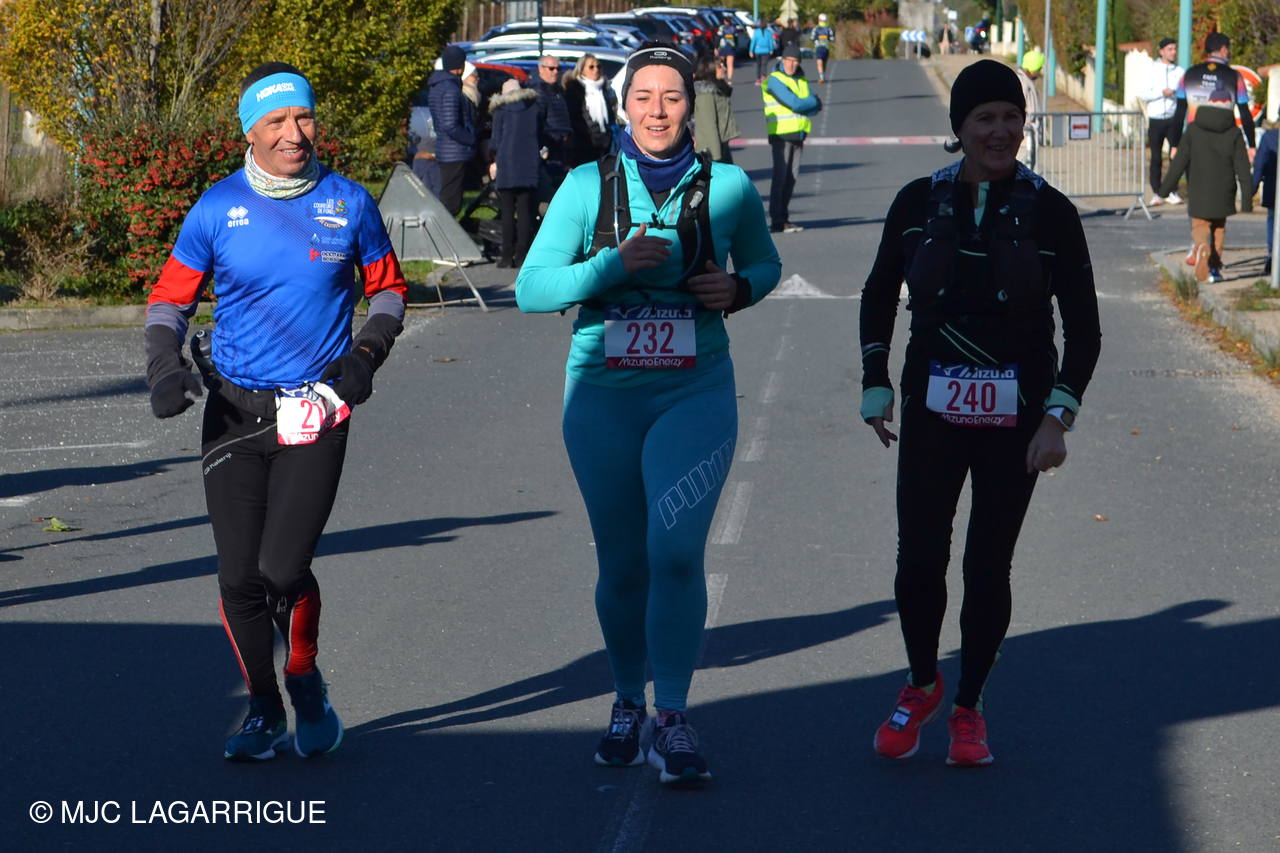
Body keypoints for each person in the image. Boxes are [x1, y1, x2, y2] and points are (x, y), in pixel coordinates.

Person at [514, 44, 781, 785]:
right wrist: (611, 266)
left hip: (694, 389)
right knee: (625, 560)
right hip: (602, 396)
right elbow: (532, 290)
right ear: (623, 106)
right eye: (644, 97)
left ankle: (673, 714)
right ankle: (627, 701)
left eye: (671, 97)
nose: (657, 111)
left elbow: (764, 263)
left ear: (690, 107)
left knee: (675, 549)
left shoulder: (728, 186)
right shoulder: (585, 186)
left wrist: (740, 290)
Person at [144, 62, 408, 761]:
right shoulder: (217, 208)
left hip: (315, 410)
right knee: (239, 578)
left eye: (304, 117)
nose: (295, 133)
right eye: (276, 122)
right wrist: (164, 368)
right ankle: (263, 708)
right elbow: (169, 300)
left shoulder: (348, 203)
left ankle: (305, 681)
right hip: (233, 412)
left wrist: (365, 356)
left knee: (283, 570)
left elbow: (388, 290)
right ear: (250, 133)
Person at [860, 60, 1101, 768]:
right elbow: (879, 293)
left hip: (1018, 416)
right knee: (919, 558)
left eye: (1011, 117)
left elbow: (1085, 330)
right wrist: (876, 379)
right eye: (984, 118)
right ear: (959, 127)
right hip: (933, 409)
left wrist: (1058, 416)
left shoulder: (1052, 212)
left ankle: (968, 706)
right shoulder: (917, 201)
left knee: (988, 563)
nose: (1000, 131)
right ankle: (922, 683)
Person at [1158, 98, 1253, 283]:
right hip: (1224, 191)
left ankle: (1201, 246)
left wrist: (1164, 190)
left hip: (1199, 189)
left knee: (1200, 226)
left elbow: (1179, 162)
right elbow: (1243, 167)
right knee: (1218, 229)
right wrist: (1247, 200)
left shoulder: (1193, 130)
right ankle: (1214, 269)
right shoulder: (1234, 132)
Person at [1172, 33, 1255, 165]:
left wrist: (1174, 145)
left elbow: (1179, 113)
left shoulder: (1189, 74)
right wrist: (1251, 145)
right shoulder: (1235, 76)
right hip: (1223, 140)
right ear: (1224, 49)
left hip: (1195, 139)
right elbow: (1245, 113)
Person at [763, 42, 821, 233]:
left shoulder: (801, 79)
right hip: (781, 134)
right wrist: (813, 101)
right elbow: (795, 103)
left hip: (799, 134)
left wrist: (812, 103)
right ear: (782, 60)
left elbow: (813, 107)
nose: (791, 64)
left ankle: (784, 217)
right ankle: (777, 219)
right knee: (781, 177)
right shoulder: (774, 80)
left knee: (792, 178)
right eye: (788, 60)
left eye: (795, 61)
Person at [490, 78, 542, 268]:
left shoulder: (501, 111)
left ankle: (506, 256)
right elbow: (540, 133)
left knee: (507, 210)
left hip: (507, 162)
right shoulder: (534, 109)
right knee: (524, 209)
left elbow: (495, 142)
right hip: (529, 162)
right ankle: (521, 254)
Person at [427, 45, 477, 215]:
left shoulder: (437, 86)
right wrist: (470, 138)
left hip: (445, 149)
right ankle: (443, 232)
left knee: (449, 198)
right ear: (460, 66)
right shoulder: (450, 88)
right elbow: (450, 125)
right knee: (451, 204)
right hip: (454, 152)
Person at [1140, 38, 1186, 207]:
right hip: (1156, 119)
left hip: (1173, 119)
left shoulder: (1180, 71)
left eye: (1174, 49)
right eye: (1170, 49)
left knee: (1175, 157)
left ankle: (1172, 191)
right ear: (1161, 52)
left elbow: (1184, 94)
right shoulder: (1152, 70)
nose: (1173, 52)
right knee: (1156, 158)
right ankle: (1157, 192)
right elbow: (1144, 94)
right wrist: (1162, 92)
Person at [563, 53, 618, 168]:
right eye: (591, 67)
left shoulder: (604, 88)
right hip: (583, 144)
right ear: (582, 69)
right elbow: (572, 117)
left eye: (598, 66)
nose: (596, 70)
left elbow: (611, 115)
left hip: (604, 143)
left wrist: (607, 135)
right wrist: (591, 132)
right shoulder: (575, 89)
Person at [535, 55, 574, 185]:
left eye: (558, 68)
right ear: (541, 69)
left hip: (561, 147)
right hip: (551, 147)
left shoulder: (557, 89)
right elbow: (539, 121)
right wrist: (557, 137)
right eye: (551, 68)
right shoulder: (539, 90)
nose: (556, 72)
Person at [693, 55, 740, 163]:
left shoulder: (717, 88)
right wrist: (716, 156)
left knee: (730, 172)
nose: (724, 68)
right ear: (710, 69)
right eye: (720, 66)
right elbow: (709, 125)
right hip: (710, 148)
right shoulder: (705, 93)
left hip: (721, 143)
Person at [1252, 122, 1277, 274]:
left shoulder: (1269, 137)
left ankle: (1273, 253)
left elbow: (1259, 164)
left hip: (1273, 187)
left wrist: (1252, 189)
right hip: (1273, 187)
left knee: (1273, 219)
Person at [1013, 48, 1044, 166]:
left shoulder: (1028, 83)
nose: (1039, 71)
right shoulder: (1023, 84)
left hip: (1031, 136)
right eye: (1038, 69)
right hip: (1025, 139)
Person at [749, 19, 776, 85]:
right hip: (766, 50)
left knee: (758, 65)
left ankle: (758, 79)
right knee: (764, 64)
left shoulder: (756, 32)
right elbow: (771, 41)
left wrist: (751, 50)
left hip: (757, 50)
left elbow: (753, 41)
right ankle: (763, 76)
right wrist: (771, 49)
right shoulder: (768, 32)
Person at [810, 13, 835, 83]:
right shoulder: (829, 29)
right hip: (826, 47)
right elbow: (832, 39)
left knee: (819, 61)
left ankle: (821, 76)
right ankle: (822, 75)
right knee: (824, 62)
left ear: (819, 20)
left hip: (819, 46)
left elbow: (812, 38)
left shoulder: (816, 29)